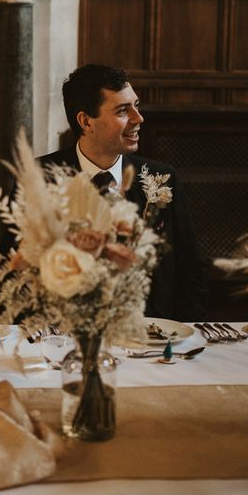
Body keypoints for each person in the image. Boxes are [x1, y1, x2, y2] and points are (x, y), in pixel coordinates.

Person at [38, 64, 207, 321]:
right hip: (66, 339)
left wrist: (177, 335)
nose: (138, 118)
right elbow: (12, 271)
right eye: (122, 111)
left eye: (136, 106)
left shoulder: (162, 179)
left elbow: (191, 269)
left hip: (151, 336)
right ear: (86, 121)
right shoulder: (39, 179)